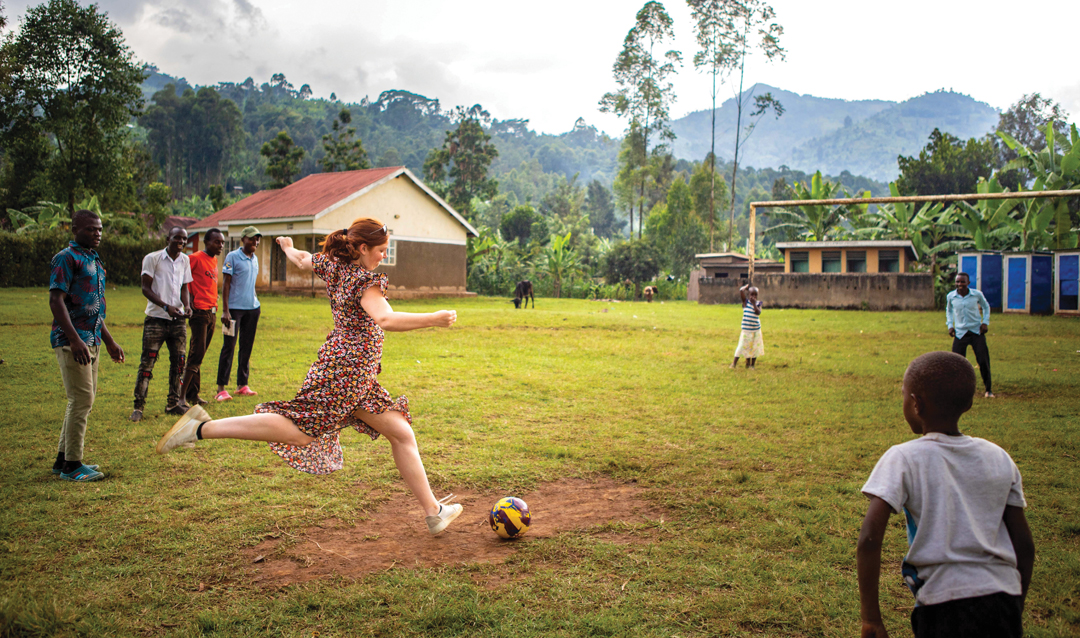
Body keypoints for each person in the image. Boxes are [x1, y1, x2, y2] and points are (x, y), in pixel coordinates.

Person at [156, 218, 464, 536]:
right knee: (301, 432)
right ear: (362, 248)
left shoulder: (333, 264)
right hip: (345, 375)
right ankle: (200, 428)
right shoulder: (361, 281)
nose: (383, 256)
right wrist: (434, 318)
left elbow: (304, 259)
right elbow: (385, 318)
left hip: (356, 376)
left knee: (401, 433)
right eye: (381, 251)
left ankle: (434, 512)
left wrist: (289, 248)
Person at [857, 351, 1034, 638]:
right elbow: (1024, 545)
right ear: (969, 402)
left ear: (916, 404)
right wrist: (1015, 602)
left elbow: (868, 538)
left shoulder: (903, 457)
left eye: (903, 395)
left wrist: (871, 618)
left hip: (942, 603)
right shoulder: (999, 457)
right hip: (1003, 596)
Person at [48, 209, 125, 481]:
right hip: (73, 342)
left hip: (92, 339)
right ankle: (72, 466)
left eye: (100, 229)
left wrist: (110, 341)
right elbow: (57, 301)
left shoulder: (93, 259)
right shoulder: (66, 258)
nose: (98, 233)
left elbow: (93, 310)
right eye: (92, 229)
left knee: (82, 401)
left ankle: (63, 460)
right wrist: (74, 339)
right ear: (75, 229)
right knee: (81, 399)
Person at [131, 226, 193, 422]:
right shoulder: (153, 258)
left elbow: (185, 287)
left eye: (184, 239)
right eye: (177, 238)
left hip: (178, 321)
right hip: (156, 319)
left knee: (179, 363)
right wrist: (166, 307)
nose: (181, 242)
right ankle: (138, 407)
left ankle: (173, 403)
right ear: (168, 238)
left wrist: (187, 306)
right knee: (147, 364)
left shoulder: (185, 260)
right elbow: (145, 288)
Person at [216, 226, 262, 401]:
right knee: (229, 347)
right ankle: (221, 389)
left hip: (252, 308)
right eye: (251, 239)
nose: (255, 242)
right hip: (234, 310)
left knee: (246, 348)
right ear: (243, 239)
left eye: (257, 239)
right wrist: (225, 310)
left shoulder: (255, 259)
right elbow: (226, 284)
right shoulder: (232, 257)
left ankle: (242, 385)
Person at [181, 228, 224, 406]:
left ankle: (193, 394)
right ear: (206, 242)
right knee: (195, 355)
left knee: (200, 354)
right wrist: (189, 301)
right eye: (217, 242)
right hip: (199, 312)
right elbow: (183, 279)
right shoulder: (195, 258)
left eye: (222, 242)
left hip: (212, 312)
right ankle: (180, 396)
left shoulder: (213, 260)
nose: (220, 245)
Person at [946, 272, 994, 398]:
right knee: (956, 363)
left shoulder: (976, 294)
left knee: (983, 360)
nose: (959, 284)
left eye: (962, 282)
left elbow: (986, 306)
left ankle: (988, 390)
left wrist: (985, 322)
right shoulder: (951, 296)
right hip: (960, 333)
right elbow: (949, 311)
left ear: (968, 283)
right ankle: (958, 389)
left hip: (976, 332)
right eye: (957, 282)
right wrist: (950, 325)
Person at [730, 283, 763, 369]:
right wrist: (746, 287)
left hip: (756, 330)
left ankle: (751, 365)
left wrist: (754, 304)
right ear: (748, 295)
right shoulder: (745, 302)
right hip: (746, 330)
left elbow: (758, 312)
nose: (754, 296)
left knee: (754, 348)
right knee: (742, 346)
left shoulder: (759, 303)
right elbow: (741, 290)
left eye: (756, 295)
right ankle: (734, 364)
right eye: (752, 294)